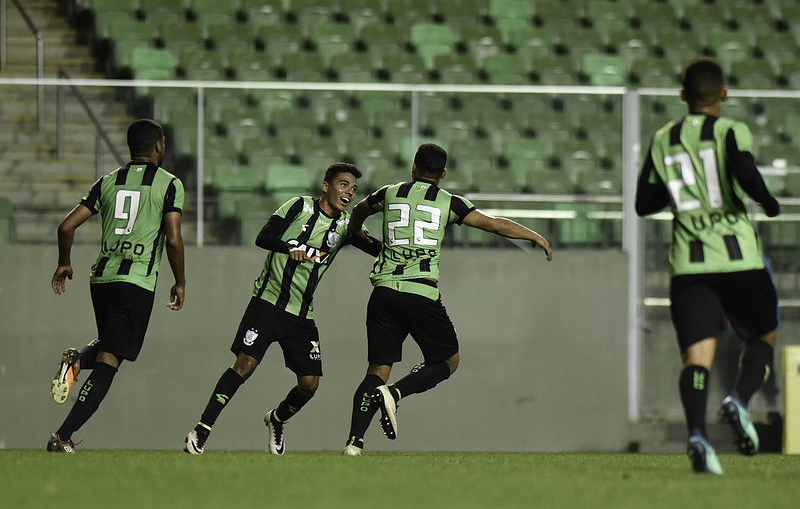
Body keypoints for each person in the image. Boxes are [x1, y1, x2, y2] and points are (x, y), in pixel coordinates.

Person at [342, 143, 553, 455]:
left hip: (384, 292)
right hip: (420, 292)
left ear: (413, 167)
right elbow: (494, 224)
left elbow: (357, 211)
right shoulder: (449, 202)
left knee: (377, 368)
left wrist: (357, 231)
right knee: (447, 360)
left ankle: (353, 443)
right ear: (442, 174)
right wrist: (534, 235)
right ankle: (395, 394)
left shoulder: (388, 193)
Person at [635, 57, 780, 475]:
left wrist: (683, 192)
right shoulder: (731, 130)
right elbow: (743, 170)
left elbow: (644, 204)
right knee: (764, 336)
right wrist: (767, 201)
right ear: (724, 93)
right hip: (739, 259)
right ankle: (737, 399)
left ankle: (698, 435)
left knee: (696, 357)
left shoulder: (664, 137)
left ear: (683, 96)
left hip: (689, 264)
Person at [183, 162, 380, 455]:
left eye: (353, 188)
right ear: (326, 186)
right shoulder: (298, 206)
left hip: (303, 314)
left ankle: (277, 419)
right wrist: (289, 247)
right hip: (267, 302)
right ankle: (201, 430)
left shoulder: (346, 226)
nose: (349, 192)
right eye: (343, 185)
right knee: (245, 365)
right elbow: (263, 237)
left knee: (309, 385)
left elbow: (377, 249)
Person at [47, 118, 186, 453]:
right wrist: (180, 281)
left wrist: (65, 263)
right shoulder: (169, 184)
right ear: (158, 145)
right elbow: (173, 238)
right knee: (111, 358)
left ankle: (77, 363)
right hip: (136, 281)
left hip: (102, 279)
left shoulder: (107, 181)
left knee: (111, 346)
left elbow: (66, 227)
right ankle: (62, 435)